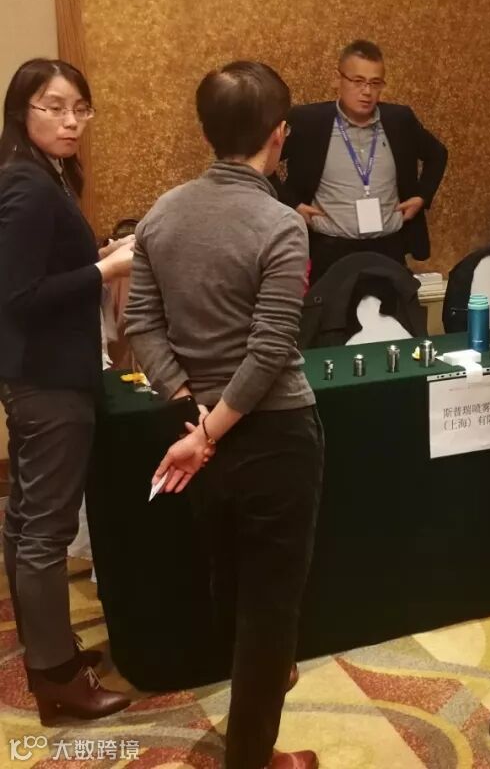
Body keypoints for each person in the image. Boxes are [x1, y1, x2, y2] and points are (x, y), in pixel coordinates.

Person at [125, 62, 323, 769]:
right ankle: (252, 757)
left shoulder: (162, 212)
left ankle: (260, 695)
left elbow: (141, 323)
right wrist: (207, 428)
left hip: (196, 432)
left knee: (233, 582)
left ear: (208, 130)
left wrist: (191, 413)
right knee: (270, 604)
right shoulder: (280, 223)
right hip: (271, 435)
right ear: (279, 134)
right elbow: (270, 351)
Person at [0, 58, 132, 723]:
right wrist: (108, 268)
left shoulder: (42, 172)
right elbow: (18, 295)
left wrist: (95, 257)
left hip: (39, 371)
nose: (71, 121)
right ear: (21, 110)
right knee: (45, 529)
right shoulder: (26, 184)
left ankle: (47, 650)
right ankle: (56, 677)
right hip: (47, 377)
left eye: (80, 107)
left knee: (27, 519)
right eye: (53, 107)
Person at [275, 40, 447, 282]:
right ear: (338, 79)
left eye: (375, 83)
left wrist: (422, 196)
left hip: (388, 248)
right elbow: (263, 161)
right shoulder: (308, 122)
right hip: (329, 250)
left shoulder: (400, 121)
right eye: (358, 81)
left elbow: (437, 154)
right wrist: (291, 204)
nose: (367, 91)